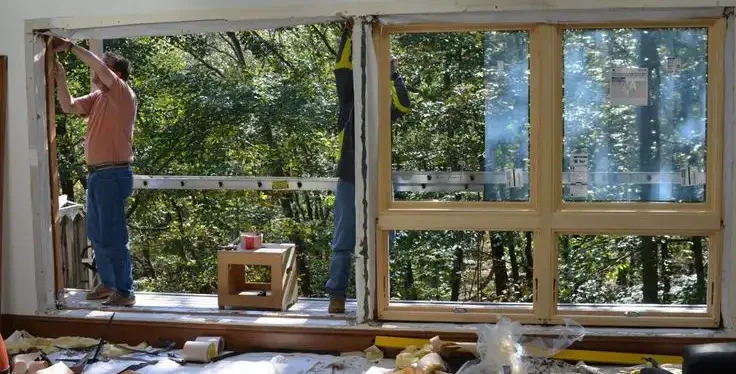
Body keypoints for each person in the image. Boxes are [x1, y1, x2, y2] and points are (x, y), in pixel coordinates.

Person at [327, 20, 412, 313]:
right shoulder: (348, 102)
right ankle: (336, 296)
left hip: (378, 180)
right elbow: (341, 67)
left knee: (382, 239)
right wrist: (349, 33)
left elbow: (404, 105)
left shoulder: (383, 107)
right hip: (350, 180)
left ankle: (379, 297)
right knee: (344, 241)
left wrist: (393, 73)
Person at [52, 37, 137, 307]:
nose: (97, 71)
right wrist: (61, 78)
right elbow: (68, 106)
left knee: (113, 236)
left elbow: (98, 67)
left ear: (118, 74)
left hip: (113, 175)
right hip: (99, 176)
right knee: (98, 235)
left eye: (106, 67)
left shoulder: (122, 93)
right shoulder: (99, 97)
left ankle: (125, 292)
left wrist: (70, 47)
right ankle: (110, 284)